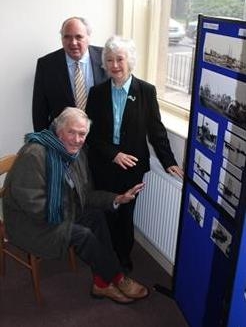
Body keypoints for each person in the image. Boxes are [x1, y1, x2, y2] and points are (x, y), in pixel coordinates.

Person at [3, 107, 149, 304]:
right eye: (71, 132)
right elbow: (33, 205)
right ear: (59, 130)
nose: (77, 139)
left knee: (96, 216)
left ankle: (101, 283)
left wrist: (117, 198)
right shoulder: (34, 154)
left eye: (82, 134)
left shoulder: (77, 154)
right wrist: (69, 213)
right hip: (31, 222)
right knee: (83, 234)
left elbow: (85, 195)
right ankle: (117, 277)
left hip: (60, 209)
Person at [86, 35, 184, 273]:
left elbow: (156, 130)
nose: (115, 65)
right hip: (105, 165)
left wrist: (168, 161)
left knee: (126, 214)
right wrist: (113, 154)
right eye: (109, 60)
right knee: (107, 212)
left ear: (130, 61)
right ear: (104, 64)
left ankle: (123, 256)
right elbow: (91, 133)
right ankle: (106, 254)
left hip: (132, 167)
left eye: (120, 59)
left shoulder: (146, 91)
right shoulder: (97, 93)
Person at [32, 16, 107, 132]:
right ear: (61, 38)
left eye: (79, 37)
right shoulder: (46, 65)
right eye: (67, 37)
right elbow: (39, 110)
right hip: (62, 140)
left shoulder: (106, 58)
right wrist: (43, 141)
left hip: (101, 138)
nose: (73, 43)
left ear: (88, 37)